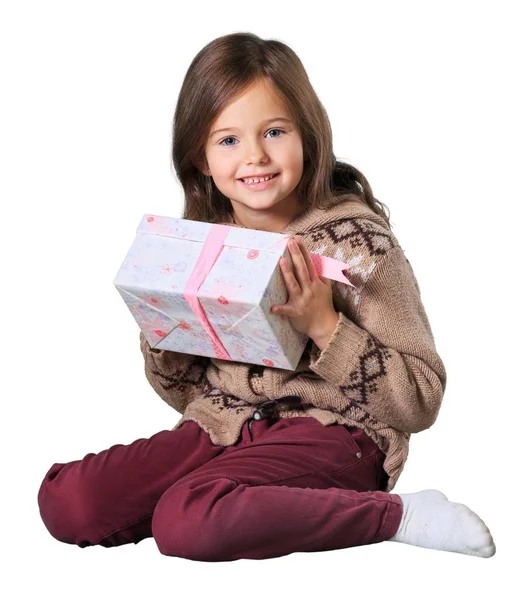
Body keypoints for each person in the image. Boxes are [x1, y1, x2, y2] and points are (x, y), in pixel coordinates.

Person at [37, 32, 495, 561]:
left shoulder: (359, 246)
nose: (254, 155)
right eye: (228, 140)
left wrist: (326, 327)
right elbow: (182, 395)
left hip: (336, 434)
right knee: (67, 501)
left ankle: (395, 515)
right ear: (201, 158)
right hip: (224, 425)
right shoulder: (202, 243)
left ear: (307, 137)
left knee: (187, 519)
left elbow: (420, 400)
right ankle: (227, 495)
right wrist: (166, 334)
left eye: (274, 131)